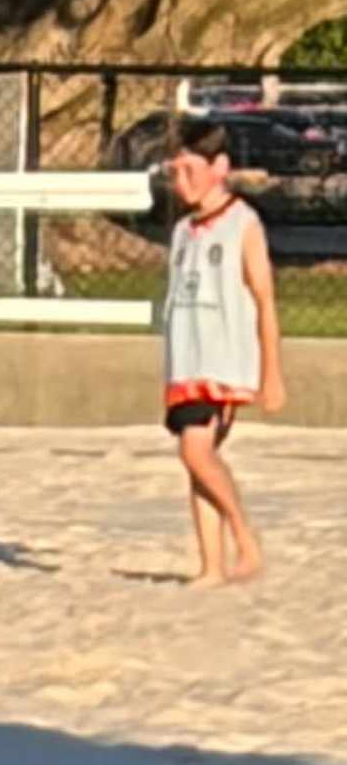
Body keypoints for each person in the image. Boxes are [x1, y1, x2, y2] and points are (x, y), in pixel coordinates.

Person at [158, 120, 283, 587]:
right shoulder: (181, 231)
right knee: (196, 460)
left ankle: (244, 536)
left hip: (224, 361)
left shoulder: (242, 223)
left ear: (219, 168)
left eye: (190, 169)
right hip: (186, 362)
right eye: (175, 170)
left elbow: (265, 298)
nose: (181, 180)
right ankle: (212, 564)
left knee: (196, 450)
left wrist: (272, 371)